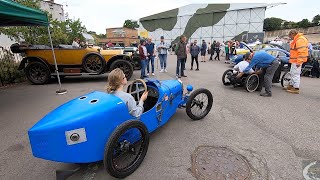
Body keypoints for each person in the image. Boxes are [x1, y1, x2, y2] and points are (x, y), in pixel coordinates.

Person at [286, 29, 309, 94]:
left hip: (297, 60)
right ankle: (291, 85)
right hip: (295, 60)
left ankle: (296, 88)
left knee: (295, 74)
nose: (290, 38)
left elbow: (301, 52)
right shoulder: (298, 39)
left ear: (292, 34)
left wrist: (299, 61)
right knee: (292, 73)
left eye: (290, 36)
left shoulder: (300, 40)